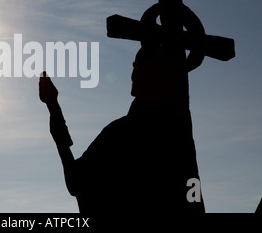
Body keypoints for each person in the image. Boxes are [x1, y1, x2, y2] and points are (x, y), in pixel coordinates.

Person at [39, 46, 205, 214]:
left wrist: (53, 106)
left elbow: (76, 181)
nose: (133, 74)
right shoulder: (177, 133)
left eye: (137, 67)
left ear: (155, 75)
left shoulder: (122, 132)